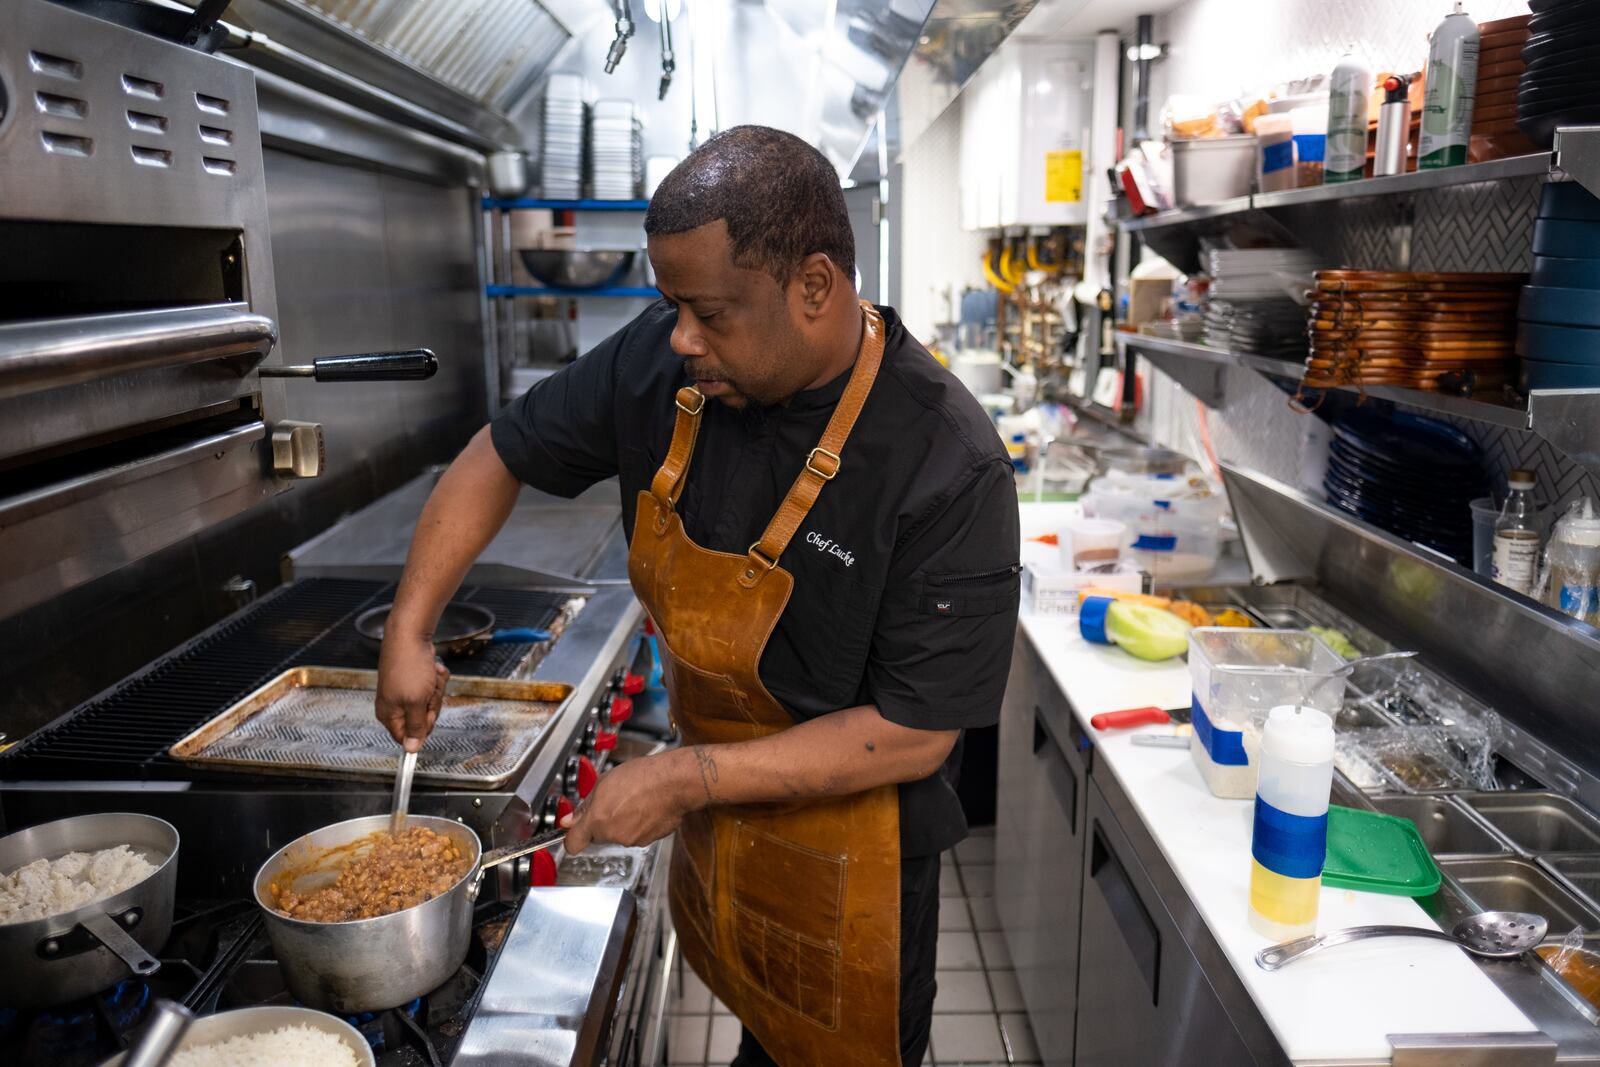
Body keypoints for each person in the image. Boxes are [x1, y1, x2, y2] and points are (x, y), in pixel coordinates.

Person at [375, 125, 1020, 1067]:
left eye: (709, 311)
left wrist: (682, 777)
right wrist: (408, 627)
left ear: (813, 286)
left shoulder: (944, 461)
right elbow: (497, 453)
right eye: (672, 304)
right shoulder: (664, 367)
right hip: (725, 832)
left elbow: (917, 731)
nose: (681, 336)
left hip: (854, 869)